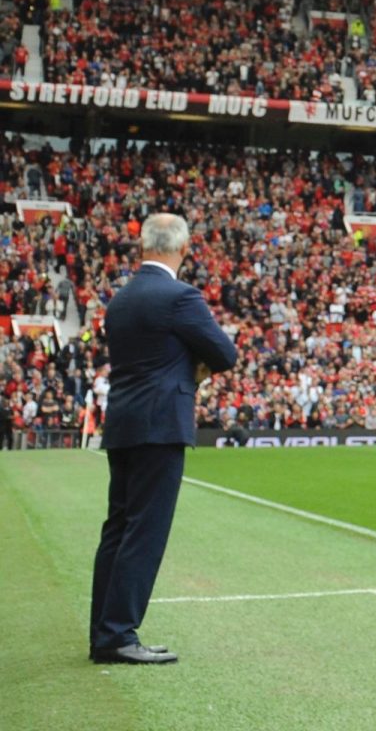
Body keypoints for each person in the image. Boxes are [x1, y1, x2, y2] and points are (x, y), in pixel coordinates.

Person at [88, 213, 238, 665]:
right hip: (160, 425)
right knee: (144, 532)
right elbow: (225, 353)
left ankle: (103, 631)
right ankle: (118, 636)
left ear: (143, 248)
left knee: (117, 529)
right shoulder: (180, 296)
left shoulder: (121, 299)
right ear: (183, 249)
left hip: (124, 424)